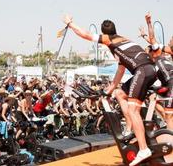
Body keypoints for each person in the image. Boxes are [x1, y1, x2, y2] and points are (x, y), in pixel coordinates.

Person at [62, 14, 156, 166]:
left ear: (104, 34)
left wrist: (70, 24)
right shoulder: (123, 42)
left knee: (133, 110)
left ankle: (144, 149)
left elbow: (85, 34)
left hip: (142, 70)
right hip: (150, 69)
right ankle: (130, 128)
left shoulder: (109, 40)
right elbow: (120, 71)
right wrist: (109, 90)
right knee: (120, 93)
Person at [140, 12, 173, 130]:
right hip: (168, 86)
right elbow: (152, 41)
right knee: (152, 97)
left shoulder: (159, 54)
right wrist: (144, 36)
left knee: (169, 116)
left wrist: (149, 23)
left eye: (171, 39)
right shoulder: (165, 53)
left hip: (171, 85)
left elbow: (153, 40)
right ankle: (166, 122)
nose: (169, 40)